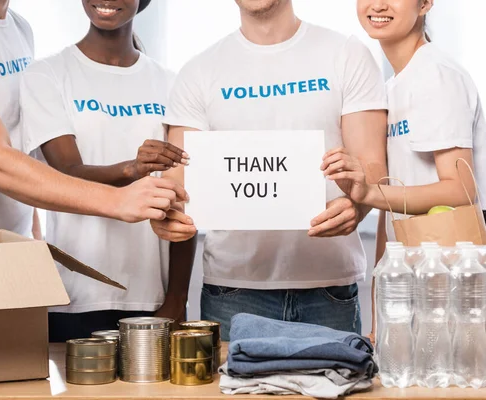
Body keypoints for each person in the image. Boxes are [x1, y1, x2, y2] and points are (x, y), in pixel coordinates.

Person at [153, 0, 389, 340]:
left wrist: (358, 205)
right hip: (232, 290)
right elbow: (180, 178)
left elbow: (373, 165)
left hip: (329, 287)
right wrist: (167, 210)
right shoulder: (198, 72)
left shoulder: (347, 54)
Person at [0, 0, 186, 237]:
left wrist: (35, 240)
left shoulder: (18, 28)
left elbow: (21, 152)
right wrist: (118, 199)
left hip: (7, 244)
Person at [19, 0, 197, 341]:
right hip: (73, 295)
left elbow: (185, 196)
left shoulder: (172, 83)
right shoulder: (47, 74)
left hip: (152, 296)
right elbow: (64, 173)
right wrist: (132, 169)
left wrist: (177, 300)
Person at [322, 0, 486, 340]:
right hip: (422, 285)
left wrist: (371, 193)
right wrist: (378, 315)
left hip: (455, 286)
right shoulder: (394, 86)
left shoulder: (436, 75)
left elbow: (461, 189)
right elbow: (394, 207)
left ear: (426, 3)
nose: (378, 5)